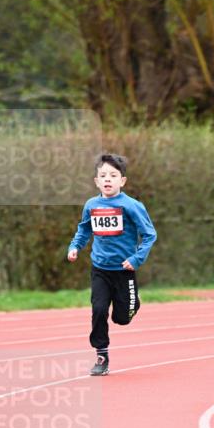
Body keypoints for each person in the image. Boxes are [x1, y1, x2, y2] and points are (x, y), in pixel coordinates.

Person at [67, 152, 157, 375]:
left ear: (122, 181)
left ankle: (131, 305)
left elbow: (149, 235)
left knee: (122, 318)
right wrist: (75, 246)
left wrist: (136, 259)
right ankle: (101, 355)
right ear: (97, 181)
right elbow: (84, 228)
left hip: (124, 270)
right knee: (98, 310)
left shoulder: (132, 206)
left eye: (113, 175)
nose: (108, 179)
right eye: (103, 175)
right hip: (100, 269)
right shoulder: (91, 204)